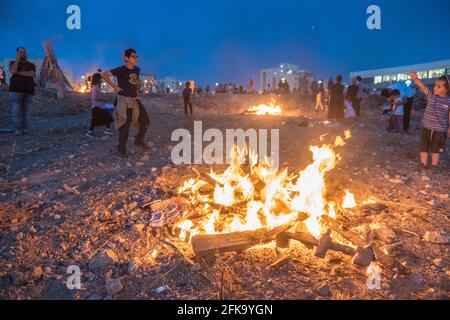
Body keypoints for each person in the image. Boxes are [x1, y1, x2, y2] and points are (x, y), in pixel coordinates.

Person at [102, 48, 150, 157]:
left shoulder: (137, 70)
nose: (136, 58)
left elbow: (136, 82)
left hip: (134, 100)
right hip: (124, 100)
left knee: (146, 120)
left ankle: (138, 140)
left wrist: (137, 91)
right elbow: (104, 75)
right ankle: (121, 149)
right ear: (126, 58)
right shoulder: (121, 69)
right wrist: (115, 87)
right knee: (125, 125)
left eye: (137, 57)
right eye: (133, 56)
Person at [409, 71, 450, 170]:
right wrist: (415, 79)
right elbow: (423, 87)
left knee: (435, 149)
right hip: (426, 127)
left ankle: (434, 165)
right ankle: (423, 164)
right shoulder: (431, 95)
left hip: (439, 130)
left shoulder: (448, 101)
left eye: (439, 86)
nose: (435, 87)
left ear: (447, 89)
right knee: (424, 146)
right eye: (435, 85)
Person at [9, 47, 36, 135]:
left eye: (24, 52)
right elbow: (13, 71)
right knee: (15, 111)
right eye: (21, 52)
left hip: (29, 91)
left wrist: (18, 73)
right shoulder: (13, 63)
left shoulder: (31, 65)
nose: (23, 53)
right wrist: (17, 59)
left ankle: (26, 129)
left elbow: (31, 74)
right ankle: (17, 129)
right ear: (17, 53)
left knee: (27, 111)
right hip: (16, 90)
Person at [85, 73, 114, 138]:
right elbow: (94, 98)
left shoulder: (96, 87)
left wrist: (103, 98)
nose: (101, 80)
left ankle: (107, 130)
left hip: (100, 106)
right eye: (100, 78)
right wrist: (103, 99)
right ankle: (89, 133)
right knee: (96, 120)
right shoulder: (95, 87)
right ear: (98, 79)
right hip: (97, 107)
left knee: (108, 118)